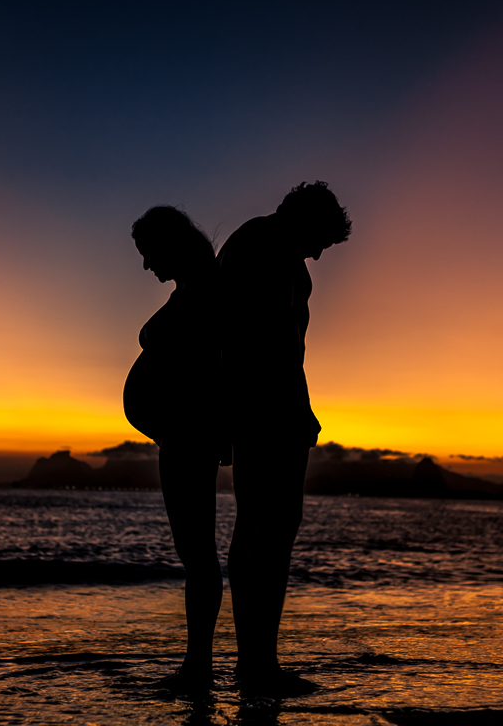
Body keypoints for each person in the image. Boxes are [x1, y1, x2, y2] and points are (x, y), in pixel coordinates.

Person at [217, 181, 351, 696]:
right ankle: (259, 666)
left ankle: (253, 661)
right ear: (305, 220)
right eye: (320, 239)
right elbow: (268, 344)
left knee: (254, 528)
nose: (319, 252)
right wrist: (294, 414)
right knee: (273, 531)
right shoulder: (273, 250)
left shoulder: (250, 243)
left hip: (255, 407)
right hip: (270, 408)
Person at [123, 205, 228, 692]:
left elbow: (218, 365)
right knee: (196, 554)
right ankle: (197, 664)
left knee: (198, 555)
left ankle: (198, 667)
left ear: (171, 245)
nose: (146, 266)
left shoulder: (207, 288)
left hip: (190, 433)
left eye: (148, 254)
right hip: (180, 433)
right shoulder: (190, 288)